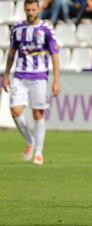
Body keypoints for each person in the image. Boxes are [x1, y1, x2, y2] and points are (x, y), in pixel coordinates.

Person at [1, 0, 60, 166]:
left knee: (38, 114)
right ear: (24, 9)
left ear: (39, 9)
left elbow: (55, 55)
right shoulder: (17, 29)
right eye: (28, 9)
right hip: (20, 75)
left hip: (39, 77)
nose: (31, 12)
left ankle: (39, 153)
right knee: (15, 111)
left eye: (33, 9)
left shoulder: (47, 29)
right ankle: (30, 141)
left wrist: (56, 80)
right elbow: (11, 52)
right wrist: (6, 75)